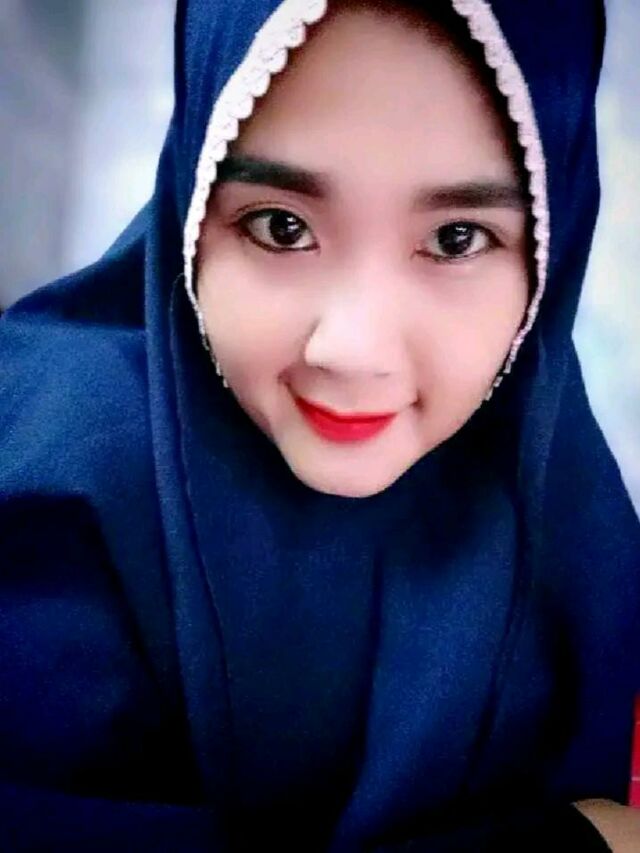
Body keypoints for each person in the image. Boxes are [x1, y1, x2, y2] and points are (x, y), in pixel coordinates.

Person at [1, 0, 639, 849]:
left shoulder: (560, 496)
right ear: (192, 202)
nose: (352, 350)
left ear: (551, 255)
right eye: (282, 226)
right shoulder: (48, 482)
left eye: (456, 239)